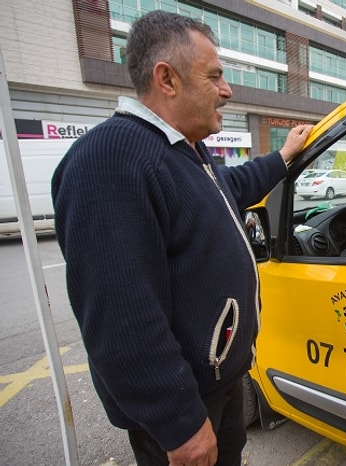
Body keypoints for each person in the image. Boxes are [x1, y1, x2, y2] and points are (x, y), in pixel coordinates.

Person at [51, 10, 313, 466]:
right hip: (186, 407)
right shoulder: (112, 160)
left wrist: (283, 158)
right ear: (166, 79)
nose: (226, 90)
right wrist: (179, 424)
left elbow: (229, 187)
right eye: (214, 77)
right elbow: (120, 317)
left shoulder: (184, 152)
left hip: (216, 385)